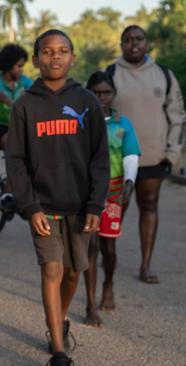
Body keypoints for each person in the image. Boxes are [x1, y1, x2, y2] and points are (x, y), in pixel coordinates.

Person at [6, 29, 109, 366]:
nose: (55, 57)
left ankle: (58, 320)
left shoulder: (87, 102)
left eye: (62, 51)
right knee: (51, 268)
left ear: (72, 58)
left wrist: (96, 204)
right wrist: (29, 206)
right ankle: (59, 351)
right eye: (47, 52)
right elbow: (16, 161)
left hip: (81, 206)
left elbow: (99, 157)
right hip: (44, 207)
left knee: (73, 272)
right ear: (35, 59)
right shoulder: (25, 105)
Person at [107, 25, 186, 284]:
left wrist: (172, 152)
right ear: (121, 45)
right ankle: (108, 258)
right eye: (128, 40)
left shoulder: (163, 74)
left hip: (153, 157)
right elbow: (97, 114)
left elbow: (177, 116)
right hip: (116, 161)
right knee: (115, 208)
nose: (134, 44)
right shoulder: (111, 73)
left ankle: (146, 264)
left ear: (147, 43)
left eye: (139, 39)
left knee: (149, 205)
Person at [82, 71, 141, 327]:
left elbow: (130, 155)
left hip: (115, 192)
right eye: (95, 93)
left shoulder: (122, 124)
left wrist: (130, 181)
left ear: (113, 94)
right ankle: (90, 303)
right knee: (90, 246)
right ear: (88, 94)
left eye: (106, 92)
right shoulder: (79, 122)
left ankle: (108, 283)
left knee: (108, 247)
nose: (101, 97)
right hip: (86, 191)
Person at [0, 44, 32, 151]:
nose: (22, 70)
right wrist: (17, 105)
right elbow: (2, 97)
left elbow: (36, 91)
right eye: (19, 66)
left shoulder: (24, 81)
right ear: (9, 65)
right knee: (11, 142)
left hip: (18, 125)